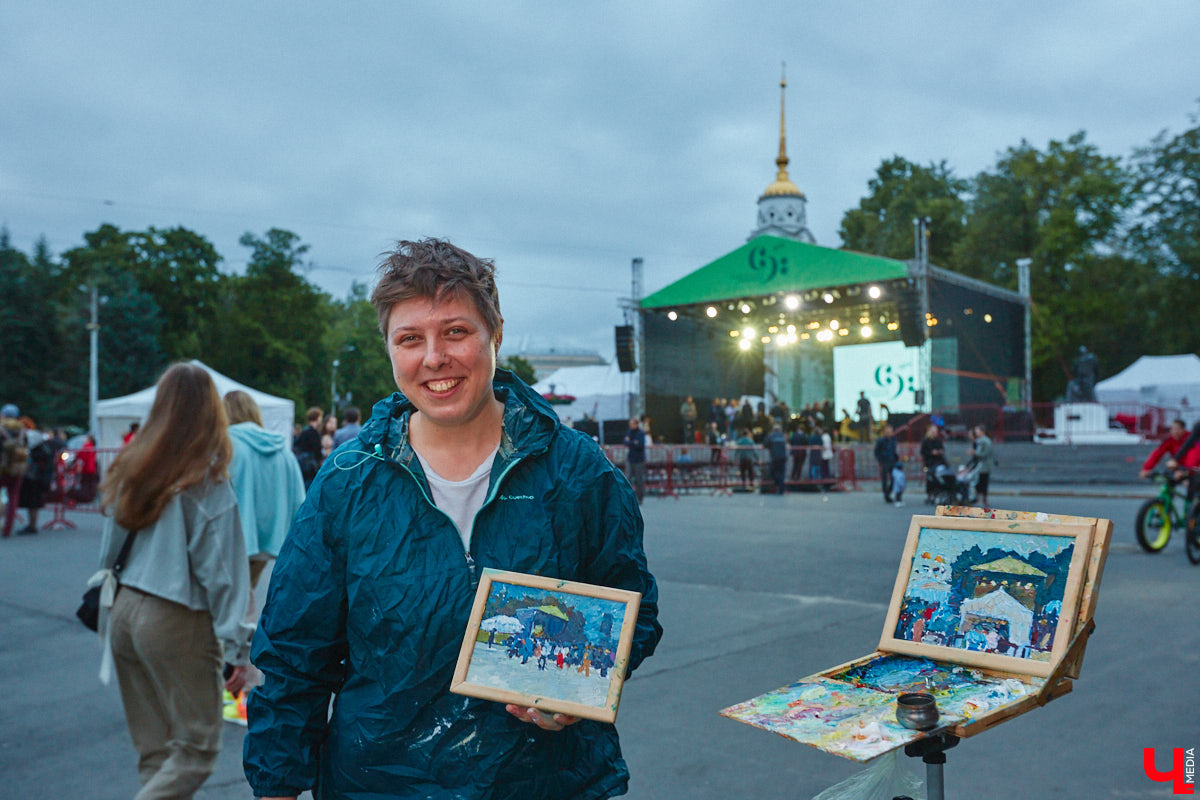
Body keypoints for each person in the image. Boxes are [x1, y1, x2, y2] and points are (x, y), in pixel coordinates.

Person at [244, 237, 661, 800]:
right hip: (380, 784)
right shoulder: (348, 481)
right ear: (389, 350)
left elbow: (629, 606)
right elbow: (294, 656)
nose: (434, 357)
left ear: (496, 333)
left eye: (456, 332)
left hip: (546, 782)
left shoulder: (577, 471)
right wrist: (275, 789)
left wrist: (576, 693)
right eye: (410, 338)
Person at [97, 362, 254, 800]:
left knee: (155, 749)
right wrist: (238, 649)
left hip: (124, 608)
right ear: (210, 412)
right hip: (175, 615)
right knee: (196, 750)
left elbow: (108, 549)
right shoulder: (205, 478)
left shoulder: (135, 466)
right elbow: (223, 573)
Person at [224, 390, 307, 588]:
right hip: (268, 544)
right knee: (246, 596)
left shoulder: (225, 446)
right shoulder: (282, 450)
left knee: (229, 604)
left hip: (229, 543)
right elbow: (300, 503)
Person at [17, 428, 55, 534]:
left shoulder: (37, 452)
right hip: (38, 479)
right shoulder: (44, 449)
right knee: (33, 503)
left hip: (34, 479)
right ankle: (32, 524)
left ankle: (32, 525)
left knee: (32, 503)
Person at [1, 404, 29, 537]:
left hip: (2, 466)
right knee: (13, 497)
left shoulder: (1, 428)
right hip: (18, 467)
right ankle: (8, 529)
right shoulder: (21, 429)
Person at [293, 407, 323, 488]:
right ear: (317, 418)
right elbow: (317, 450)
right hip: (310, 467)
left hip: (303, 465)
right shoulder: (313, 433)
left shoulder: (304, 431)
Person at [920, 425, 948, 503]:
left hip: (938, 462)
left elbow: (942, 450)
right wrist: (931, 453)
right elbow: (922, 452)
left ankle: (937, 493)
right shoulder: (926, 441)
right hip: (929, 462)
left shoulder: (938, 440)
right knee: (930, 479)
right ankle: (930, 494)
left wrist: (939, 452)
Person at [624, 416, 647, 503]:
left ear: (636, 424)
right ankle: (628, 497)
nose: (631, 426)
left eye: (632, 424)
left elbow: (640, 445)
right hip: (630, 458)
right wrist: (633, 442)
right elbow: (625, 442)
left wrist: (631, 442)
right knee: (627, 478)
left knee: (639, 480)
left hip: (639, 460)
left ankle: (640, 498)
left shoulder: (641, 433)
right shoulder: (629, 432)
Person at [969, 425, 995, 506]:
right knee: (980, 482)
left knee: (983, 482)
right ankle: (981, 499)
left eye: (977, 431)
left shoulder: (985, 441)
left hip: (984, 465)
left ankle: (983, 500)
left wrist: (975, 452)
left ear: (982, 431)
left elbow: (985, 453)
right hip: (981, 465)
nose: (976, 433)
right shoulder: (980, 440)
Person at [874, 424, 899, 504]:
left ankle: (889, 491)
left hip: (892, 461)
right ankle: (886, 495)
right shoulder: (881, 441)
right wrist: (880, 460)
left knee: (893, 478)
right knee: (884, 479)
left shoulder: (893, 440)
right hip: (884, 461)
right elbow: (876, 452)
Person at [764, 423, 788, 495]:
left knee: (773, 472)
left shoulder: (771, 436)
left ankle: (778, 484)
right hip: (783, 457)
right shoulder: (782, 436)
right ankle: (781, 488)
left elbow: (765, 444)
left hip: (774, 457)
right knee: (782, 473)